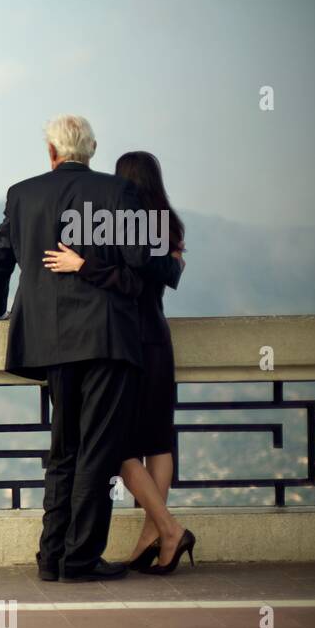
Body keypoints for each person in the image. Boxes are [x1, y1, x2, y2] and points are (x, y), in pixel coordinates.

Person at [0, 115, 184, 582]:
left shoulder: (22, 194)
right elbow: (142, 268)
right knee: (98, 449)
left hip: (47, 342)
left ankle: (51, 557)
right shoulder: (117, 194)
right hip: (106, 341)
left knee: (63, 449)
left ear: (51, 152)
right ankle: (80, 559)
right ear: (90, 150)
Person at [42, 152, 195, 574]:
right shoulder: (166, 225)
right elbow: (169, 272)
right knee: (157, 441)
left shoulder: (117, 225)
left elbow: (128, 281)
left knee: (121, 447)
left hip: (128, 341)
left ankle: (165, 529)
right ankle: (156, 534)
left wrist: (82, 265)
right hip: (158, 339)